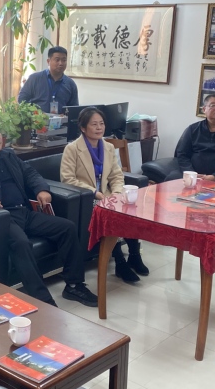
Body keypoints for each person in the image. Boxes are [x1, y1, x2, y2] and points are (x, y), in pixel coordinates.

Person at [0, 117, 97, 307]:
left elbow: (30, 174)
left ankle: (74, 285)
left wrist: (41, 189)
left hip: (24, 212)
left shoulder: (8, 155)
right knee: (21, 243)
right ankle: (43, 300)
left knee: (67, 228)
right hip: (1, 218)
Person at [60, 107, 149, 283]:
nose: (99, 127)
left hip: (108, 194)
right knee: (109, 215)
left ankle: (134, 255)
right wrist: (94, 192)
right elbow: (67, 179)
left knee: (130, 210)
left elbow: (116, 175)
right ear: (83, 128)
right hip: (87, 198)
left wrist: (116, 193)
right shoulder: (72, 149)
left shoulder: (108, 147)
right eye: (94, 124)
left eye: (101, 123)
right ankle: (120, 262)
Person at [166, 93, 215, 185]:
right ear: (204, 109)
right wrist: (191, 173)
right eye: (213, 105)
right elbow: (182, 154)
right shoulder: (193, 129)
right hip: (192, 173)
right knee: (171, 179)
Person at [17, 46, 79, 114]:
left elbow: (74, 109)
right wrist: (35, 113)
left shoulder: (70, 84)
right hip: (36, 119)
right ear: (48, 61)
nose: (61, 63)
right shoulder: (34, 79)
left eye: (64, 60)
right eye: (57, 60)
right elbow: (22, 100)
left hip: (61, 120)